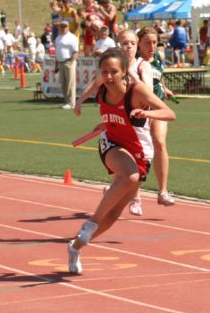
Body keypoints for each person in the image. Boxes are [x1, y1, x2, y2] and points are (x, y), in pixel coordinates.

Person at [67, 48, 176, 274]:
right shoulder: (101, 88)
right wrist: (79, 101)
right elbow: (93, 88)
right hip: (112, 144)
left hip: (139, 150)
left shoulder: (137, 91)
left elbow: (169, 113)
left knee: (114, 214)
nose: (108, 77)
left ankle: (76, 245)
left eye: (113, 72)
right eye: (104, 72)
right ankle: (89, 225)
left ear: (125, 72)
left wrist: (147, 114)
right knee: (130, 175)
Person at [137, 27, 177, 206]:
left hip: (158, 106)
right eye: (147, 42)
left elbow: (158, 78)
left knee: (159, 142)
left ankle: (163, 191)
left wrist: (165, 88)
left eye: (154, 42)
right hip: (141, 109)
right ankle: (131, 190)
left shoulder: (159, 58)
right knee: (138, 149)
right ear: (139, 44)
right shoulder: (135, 62)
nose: (151, 46)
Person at [55, 19, 79, 109]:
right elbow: (57, 52)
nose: (63, 28)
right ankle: (67, 101)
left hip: (69, 61)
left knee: (70, 83)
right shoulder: (58, 38)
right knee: (64, 83)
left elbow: (75, 51)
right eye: (62, 26)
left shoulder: (72, 37)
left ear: (68, 27)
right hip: (60, 62)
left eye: (65, 26)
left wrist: (71, 61)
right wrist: (56, 64)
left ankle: (72, 102)